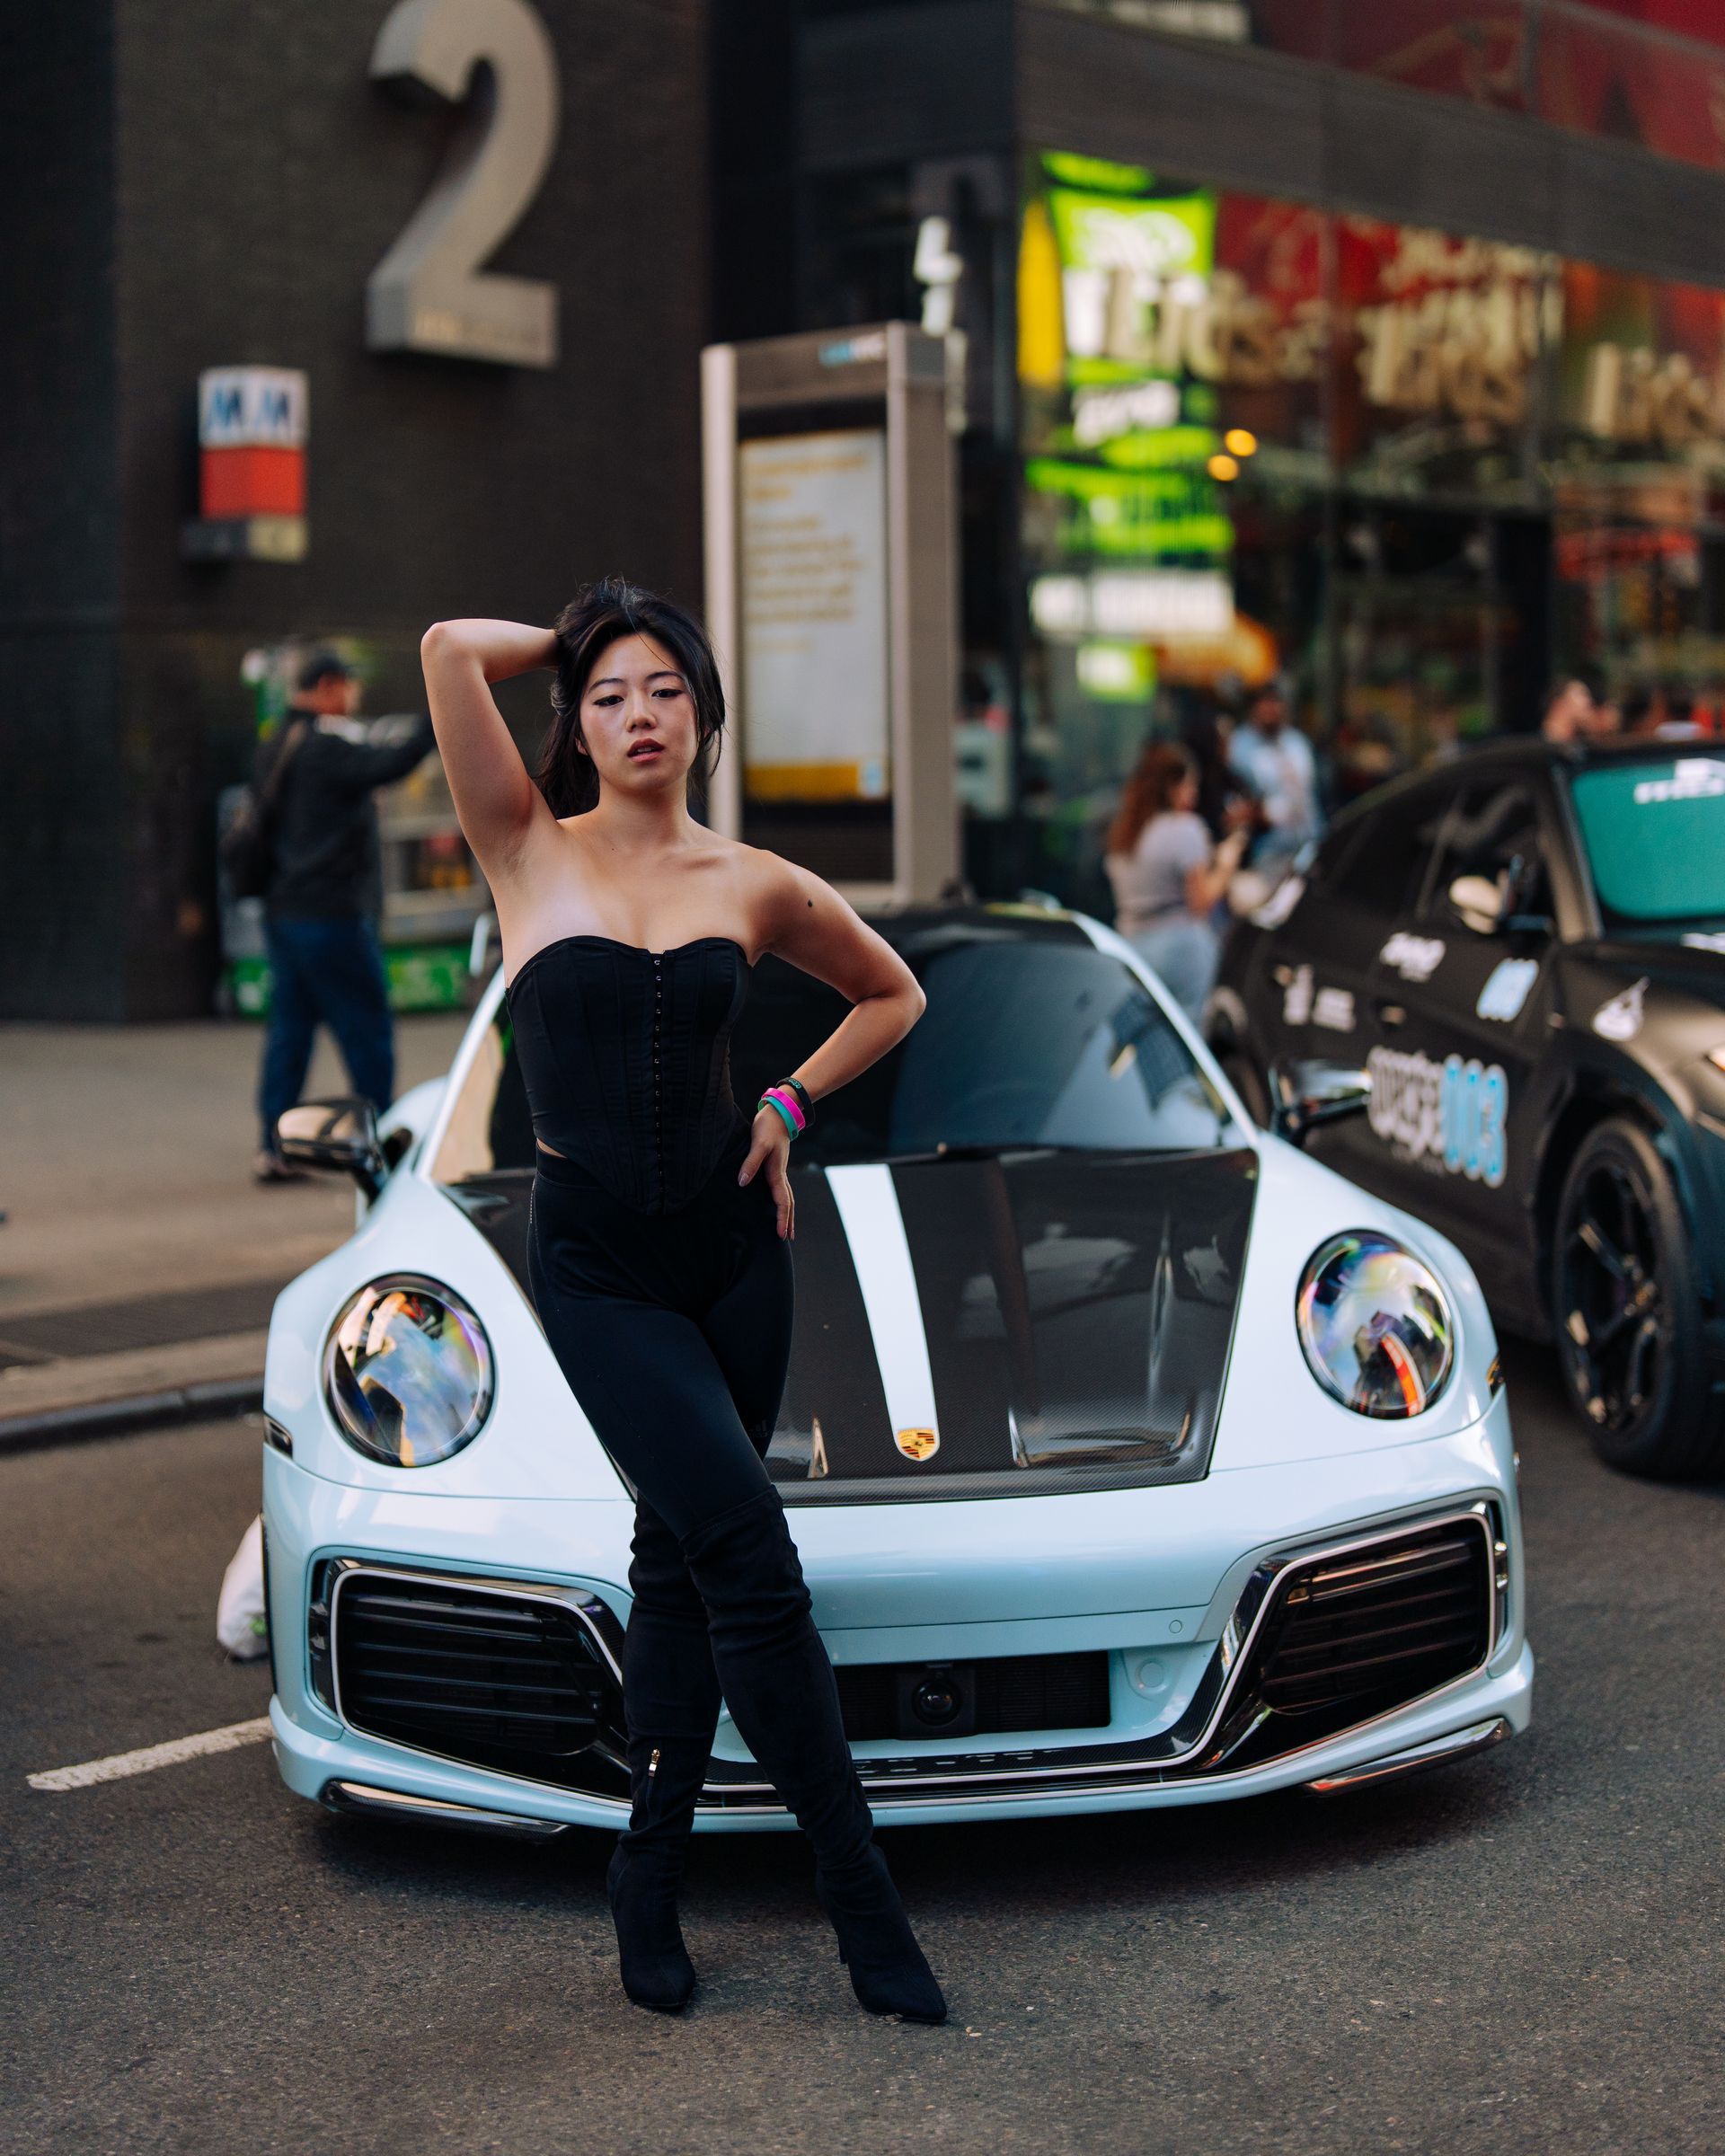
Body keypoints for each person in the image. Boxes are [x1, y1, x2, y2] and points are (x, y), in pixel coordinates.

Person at [418, 579, 946, 2025]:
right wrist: (582, 628)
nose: (639, 715)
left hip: (735, 1255)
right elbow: (449, 650)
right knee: (750, 1554)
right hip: (596, 1266)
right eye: (608, 695)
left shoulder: (751, 881)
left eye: (664, 691)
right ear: (575, 727)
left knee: (683, 1564)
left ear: (706, 717)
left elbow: (891, 995)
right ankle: (865, 1906)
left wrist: (788, 1094)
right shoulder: (523, 844)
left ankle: (645, 1876)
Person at [253, 652, 435, 1181]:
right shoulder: (325, 746)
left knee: (290, 1028)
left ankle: (274, 1145)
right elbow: (389, 764)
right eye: (349, 685)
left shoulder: (276, 744)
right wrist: (441, 715)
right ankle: (378, 1135)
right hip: (329, 913)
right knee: (366, 1027)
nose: (354, 696)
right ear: (328, 685)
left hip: (282, 910)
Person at [1104, 742, 1249, 1025]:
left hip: (1130, 943)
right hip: (1179, 945)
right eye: (1190, 786)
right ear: (1172, 786)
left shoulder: (1124, 832)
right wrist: (1226, 864)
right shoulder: (1183, 829)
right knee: (1187, 1033)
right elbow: (1201, 902)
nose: (1193, 795)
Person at [1226, 677, 1321, 878]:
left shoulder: (1297, 742)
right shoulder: (1239, 745)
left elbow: (1309, 795)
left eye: (1276, 701)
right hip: (1267, 852)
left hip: (1308, 847)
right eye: (1265, 702)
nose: (1271, 708)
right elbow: (1234, 803)